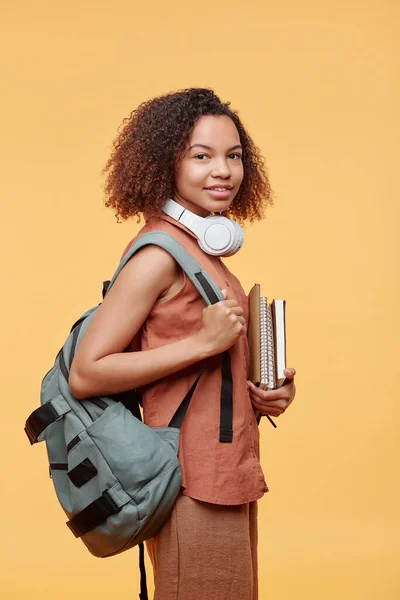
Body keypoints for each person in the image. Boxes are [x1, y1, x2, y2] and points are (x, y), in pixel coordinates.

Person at [69, 87, 296, 600]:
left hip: (227, 469)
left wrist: (268, 391)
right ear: (165, 163)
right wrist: (202, 344)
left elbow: (212, 365)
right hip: (190, 478)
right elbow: (87, 371)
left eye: (234, 156)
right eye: (202, 156)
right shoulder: (158, 255)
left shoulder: (202, 249)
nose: (224, 171)